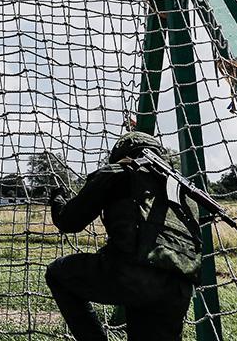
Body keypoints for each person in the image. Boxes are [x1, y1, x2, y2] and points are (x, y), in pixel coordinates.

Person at [45, 131, 202, 341]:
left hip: (131, 274)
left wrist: (57, 198)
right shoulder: (181, 188)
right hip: (179, 288)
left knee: (57, 273)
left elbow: (69, 222)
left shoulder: (118, 172)